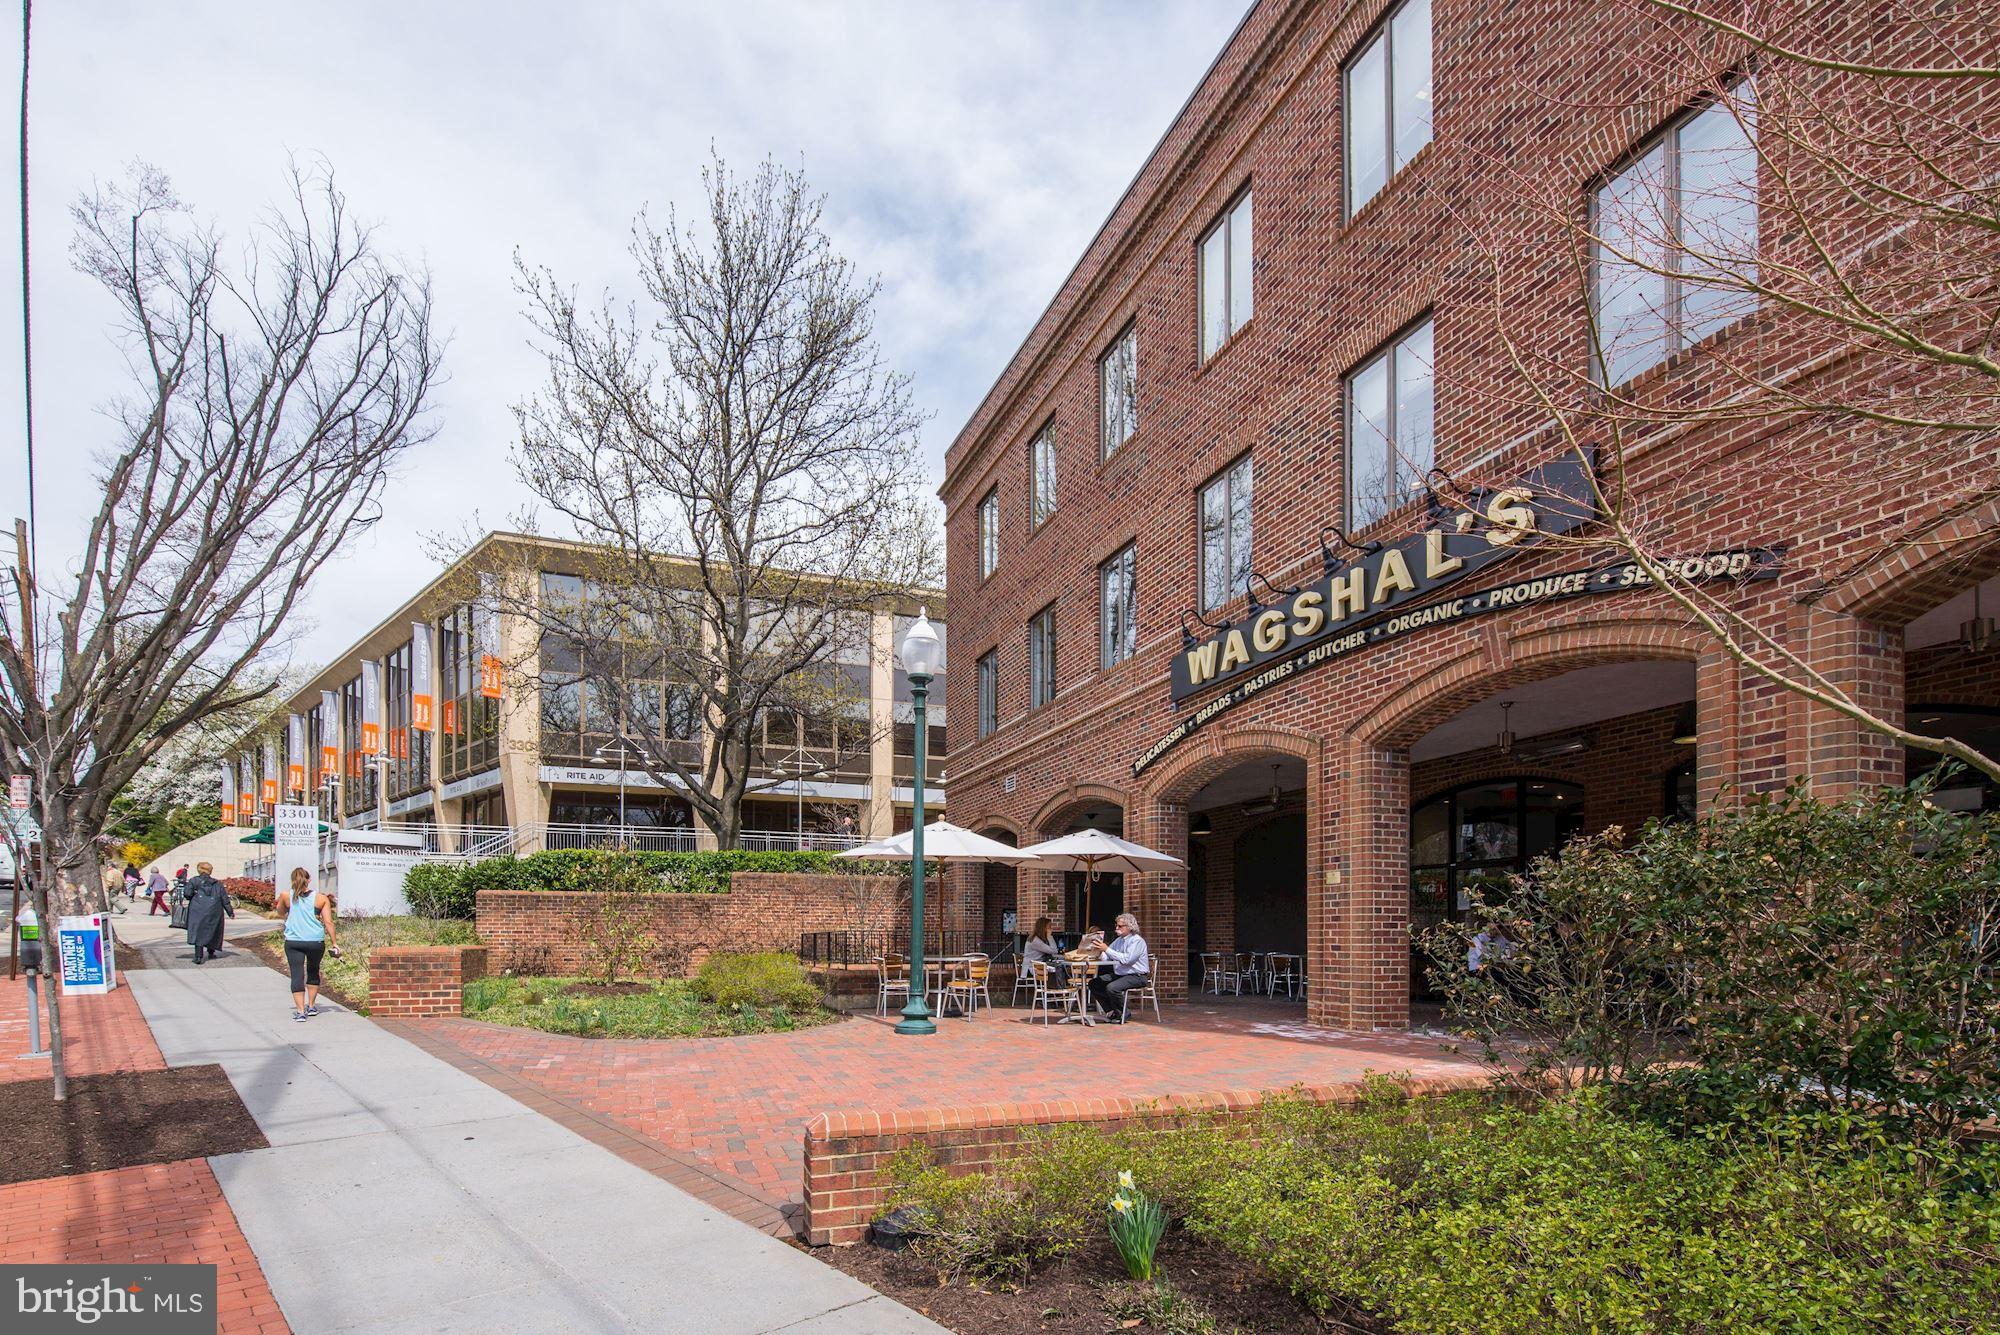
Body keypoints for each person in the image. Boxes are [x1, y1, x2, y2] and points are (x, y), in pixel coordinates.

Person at [275, 866, 339, 1021]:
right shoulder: (321, 898)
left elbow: (280, 912)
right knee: (313, 970)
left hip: (294, 941)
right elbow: (329, 922)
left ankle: (300, 1011)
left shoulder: (285, 896)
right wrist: (335, 943)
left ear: (292, 880)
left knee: (297, 974)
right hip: (315, 941)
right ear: (309, 880)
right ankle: (311, 1006)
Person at [1085, 913, 1151, 1023]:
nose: (1116, 928)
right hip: (1121, 974)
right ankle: (1111, 1011)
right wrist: (1099, 951)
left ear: (1130, 927)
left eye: (1120, 926)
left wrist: (1106, 949)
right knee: (1094, 983)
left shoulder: (1137, 941)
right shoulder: (1119, 940)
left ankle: (1123, 1013)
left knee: (1112, 988)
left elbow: (1127, 960)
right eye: (1116, 925)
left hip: (1137, 975)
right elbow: (1106, 957)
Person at [183, 861, 234, 964]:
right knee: (212, 929)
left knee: (198, 931)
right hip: (214, 909)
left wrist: (194, 894)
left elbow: (187, 894)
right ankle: (211, 952)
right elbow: (224, 899)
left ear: (199, 870)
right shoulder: (217, 884)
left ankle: (198, 956)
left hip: (197, 909)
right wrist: (230, 912)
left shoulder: (194, 881)